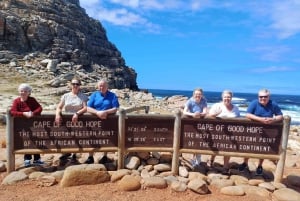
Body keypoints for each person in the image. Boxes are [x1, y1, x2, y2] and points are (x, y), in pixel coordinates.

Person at [239, 88, 283, 175]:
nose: (263, 98)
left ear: (268, 97)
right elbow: (247, 114)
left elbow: (280, 116)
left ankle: (260, 166)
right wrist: (260, 119)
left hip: (267, 131)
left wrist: (273, 119)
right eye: (261, 96)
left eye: (265, 97)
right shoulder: (254, 103)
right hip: (253, 130)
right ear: (258, 97)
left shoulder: (273, 104)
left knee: (263, 148)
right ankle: (245, 163)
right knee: (248, 146)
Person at [84, 79, 119, 164]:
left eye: (103, 85)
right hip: (95, 120)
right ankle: (90, 156)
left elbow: (115, 108)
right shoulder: (94, 95)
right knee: (92, 137)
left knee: (106, 137)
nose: (101, 87)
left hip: (108, 120)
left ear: (107, 87)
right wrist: (97, 113)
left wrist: (105, 112)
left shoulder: (112, 95)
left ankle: (105, 156)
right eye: (100, 85)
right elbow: (88, 108)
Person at [55, 77, 88, 164]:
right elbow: (59, 107)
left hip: (78, 120)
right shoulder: (66, 96)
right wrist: (58, 114)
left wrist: (77, 113)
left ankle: (74, 155)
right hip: (67, 121)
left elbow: (85, 108)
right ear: (71, 85)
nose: (75, 86)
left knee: (77, 137)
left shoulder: (83, 96)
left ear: (80, 86)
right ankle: (66, 153)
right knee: (66, 137)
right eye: (73, 84)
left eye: (77, 84)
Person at [10, 83, 44, 167]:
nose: (23, 92)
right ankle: (27, 159)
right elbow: (13, 111)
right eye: (21, 91)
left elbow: (40, 108)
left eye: (25, 91)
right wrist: (23, 114)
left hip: (33, 125)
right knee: (26, 141)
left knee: (36, 140)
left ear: (29, 92)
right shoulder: (16, 101)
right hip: (22, 126)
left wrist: (33, 113)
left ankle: (37, 159)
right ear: (19, 92)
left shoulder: (32, 100)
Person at [208, 90, 240, 173]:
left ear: (231, 98)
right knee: (215, 147)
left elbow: (239, 120)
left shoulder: (236, 108)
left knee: (228, 148)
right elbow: (209, 116)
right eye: (225, 97)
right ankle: (211, 160)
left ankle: (225, 166)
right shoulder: (217, 106)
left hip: (230, 132)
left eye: (229, 97)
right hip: (217, 132)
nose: (227, 98)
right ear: (222, 97)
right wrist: (216, 114)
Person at [183, 88, 208, 168]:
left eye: (199, 94)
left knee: (199, 140)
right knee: (191, 140)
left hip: (200, 124)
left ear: (201, 95)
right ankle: (192, 159)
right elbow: (184, 112)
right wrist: (193, 114)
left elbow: (205, 112)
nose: (198, 96)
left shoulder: (203, 100)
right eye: (196, 94)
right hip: (191, 124)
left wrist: (199, 114)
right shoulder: (190, 101)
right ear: (193, 95)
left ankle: (198, 160)